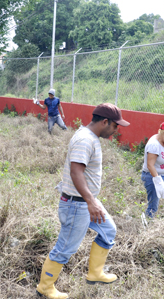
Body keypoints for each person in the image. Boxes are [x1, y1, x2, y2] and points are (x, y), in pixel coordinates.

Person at [36, 103, 130, 299]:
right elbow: (76, 172)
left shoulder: (91, 138)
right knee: (65, 247)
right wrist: (90, 201)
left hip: (86, 201)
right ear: (105, 122)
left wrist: (91, 201)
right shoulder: (84, 140)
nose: (116, 130)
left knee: (108, 230)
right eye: (115, 126)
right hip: (77, 204)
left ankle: (95, 273)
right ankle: (45, 288)